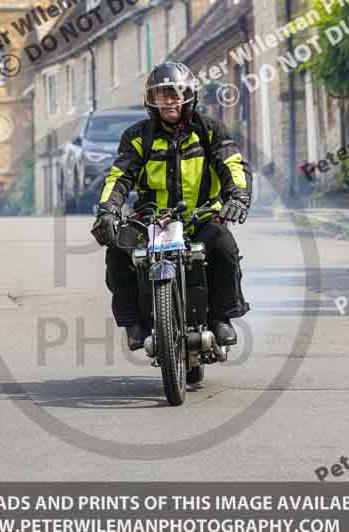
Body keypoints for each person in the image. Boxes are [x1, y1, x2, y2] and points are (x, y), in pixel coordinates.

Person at [90, 61, 252, 351]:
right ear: (151, 100)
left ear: (188, 96)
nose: (169, 101)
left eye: (175, 94)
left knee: (225, 246)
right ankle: (133, 323)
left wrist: (238, 196)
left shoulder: (210, 131)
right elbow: (120, 175)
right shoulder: (138, 136)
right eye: (161, 94)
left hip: (200, 217)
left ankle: (220, 319)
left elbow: (232, 164)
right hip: (152, 219)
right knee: (117, 249)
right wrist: (107, 211)